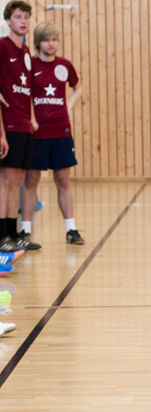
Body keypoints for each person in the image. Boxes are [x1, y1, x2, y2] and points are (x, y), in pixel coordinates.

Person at [20, 20, 83, 246]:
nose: (51, 44)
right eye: (46, 40)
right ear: (38, 42)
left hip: (61, 131)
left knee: (63, 180)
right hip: (36, 133)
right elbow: (23, 94)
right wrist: (30, 118)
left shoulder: (64, 65)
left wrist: (69, 106)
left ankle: (71, 229)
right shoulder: (30, 65)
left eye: (54, 39)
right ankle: (25, 231)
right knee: (31, 180)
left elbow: (77, 88)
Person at [0, 0, 35, 253]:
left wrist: (31, 118)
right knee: (6, 179)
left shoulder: (25, 52)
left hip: (23, 123)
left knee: (19, 178)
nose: (23, 21)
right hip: (8, 122)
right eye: (18, 16)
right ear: (8, 20)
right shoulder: (2, 46)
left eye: (26, 17)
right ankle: (2, 234)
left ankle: (13, 233)